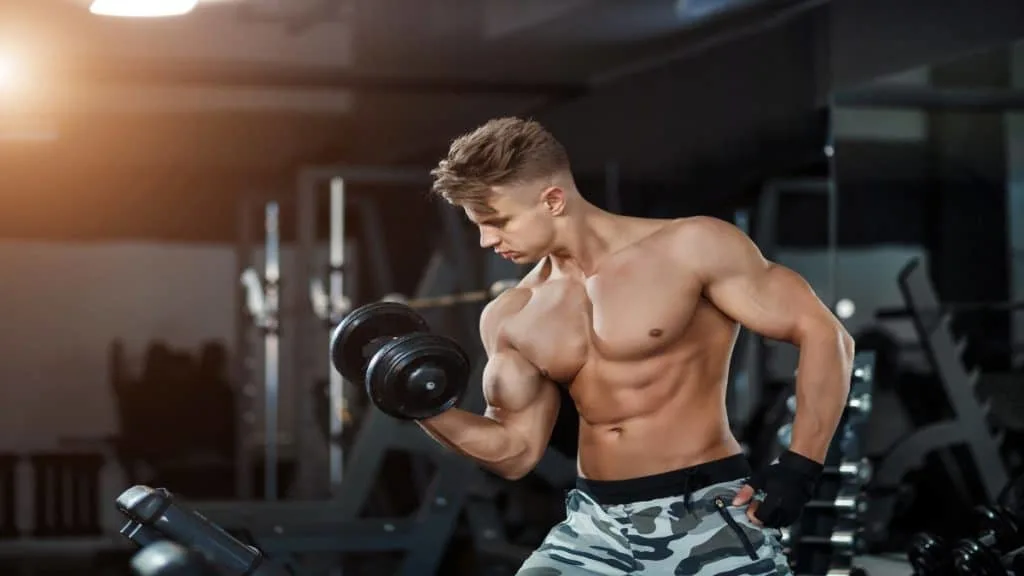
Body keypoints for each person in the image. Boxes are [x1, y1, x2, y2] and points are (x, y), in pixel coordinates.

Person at [421, 117, 855, 575]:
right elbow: (514, 452)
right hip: (593, 526)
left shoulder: (691, 248)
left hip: (705, 514)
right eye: (479, 227)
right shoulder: (512, 314)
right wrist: (423, 407)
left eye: (498, 222)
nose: (488, 241)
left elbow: (825, 334)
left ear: (552, 200)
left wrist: (800, 466)